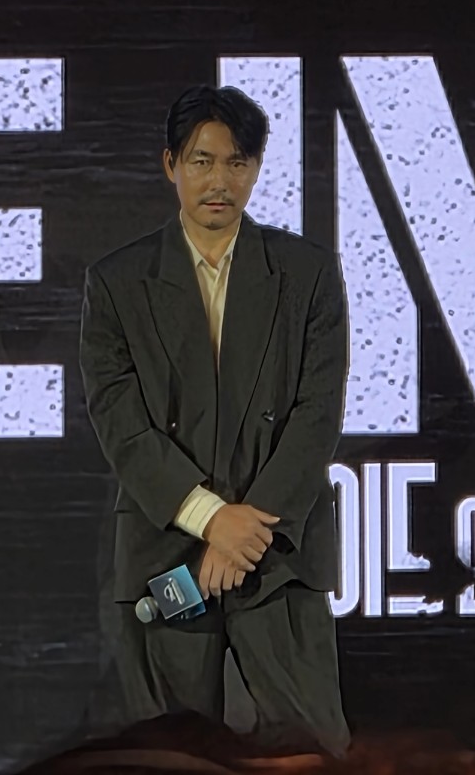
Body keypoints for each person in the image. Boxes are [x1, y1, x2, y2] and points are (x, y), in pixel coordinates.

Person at [80, 85, 350, 754]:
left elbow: (317, 413)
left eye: (236, 162)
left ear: (256, 168)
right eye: (201, 161)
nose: (219, 181)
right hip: (166, 553)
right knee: (170, 756)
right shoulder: (116, 283)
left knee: (313, 751)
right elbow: (121, 423)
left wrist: (244, 530)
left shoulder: (307, 273)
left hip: (276, 554)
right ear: (170, 164)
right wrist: (210, 520)